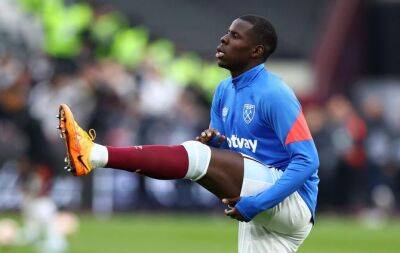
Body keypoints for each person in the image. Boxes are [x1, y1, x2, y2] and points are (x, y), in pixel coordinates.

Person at [58, 14, 319, 253]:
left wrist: (259, 203)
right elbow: (234, 156)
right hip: (260, 200)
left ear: (256, 51)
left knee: (196, 156)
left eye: (236, 36)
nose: (224, 38)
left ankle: (93, 154)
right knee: (200, 154)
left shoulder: (275, 93)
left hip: (291, 201)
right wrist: (218, 142)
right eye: (227, 32)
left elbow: (308, 161)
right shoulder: (223, 91)